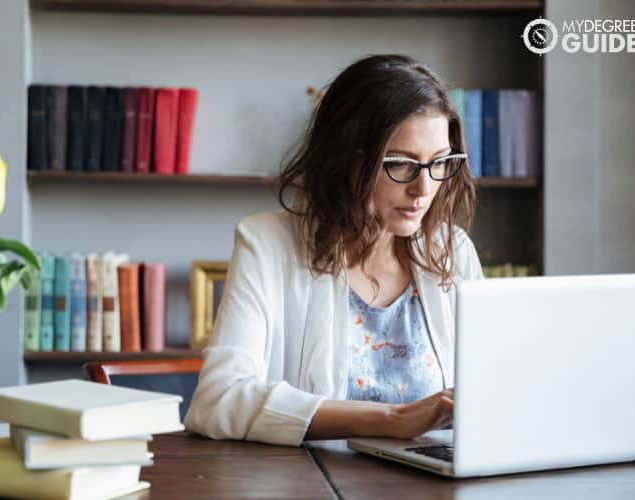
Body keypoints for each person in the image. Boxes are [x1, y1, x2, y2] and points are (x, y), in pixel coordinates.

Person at [184, 54, 482, 446]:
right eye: (401, 164)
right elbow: (218, 400)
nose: (423, 189)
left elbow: (490, 391)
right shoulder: (267, 245)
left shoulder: (453, 251)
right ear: (347, 160)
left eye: (439, 163)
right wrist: (394, 418)